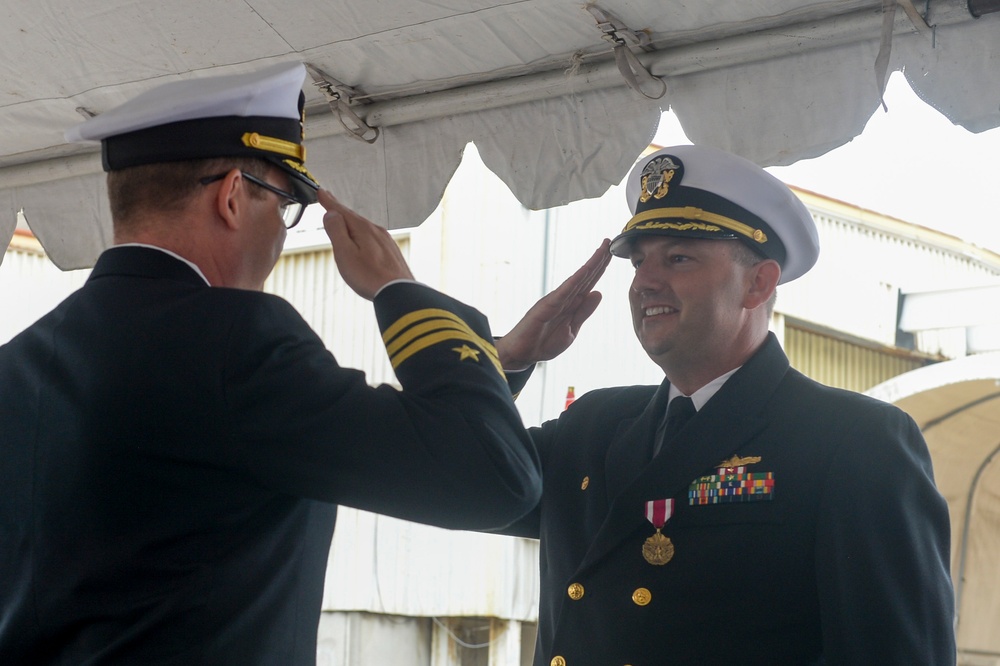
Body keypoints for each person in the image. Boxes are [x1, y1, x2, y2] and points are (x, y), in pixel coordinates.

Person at [0, 62, 544, 664]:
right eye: (286, 206)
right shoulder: (234, 341)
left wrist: (497, 364)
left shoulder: (18, 363)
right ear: (232, 197)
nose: (284, 235)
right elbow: (493, 478)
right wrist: (398, 290)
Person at [493, 144, 957, 665]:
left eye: (678, 257)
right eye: (640, 260)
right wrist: (505, 361)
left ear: (758, 283)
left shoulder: (854, 442)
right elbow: (456, 481)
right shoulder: (593, 427)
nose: (644, 281)